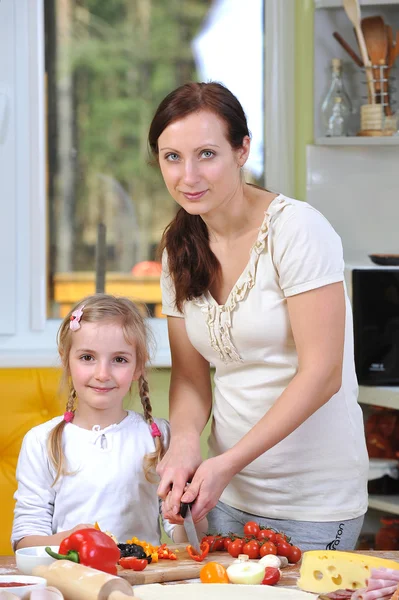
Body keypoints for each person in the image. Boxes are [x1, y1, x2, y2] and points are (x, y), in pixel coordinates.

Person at [149, 82, 369, 552]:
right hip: (225, 495)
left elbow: (323, 373)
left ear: (242, 149)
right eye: (172, 157)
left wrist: (228, 462)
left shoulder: (297, 230)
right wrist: (186, 442)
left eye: (206, 153)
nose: (188, 175)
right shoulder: (177, 251)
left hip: (313, 501)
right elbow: (190, 376)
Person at [12, 294, 206, 550]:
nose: (102, 374)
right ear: (65, 360)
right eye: (87, 358)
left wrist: (187, 511)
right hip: (71, 578)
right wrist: (71, 540)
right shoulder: (41, 441)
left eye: (119, 360)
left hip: (142, 579)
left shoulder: (160, 437)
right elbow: (25, 541)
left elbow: (188, 539)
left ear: (138, 367)